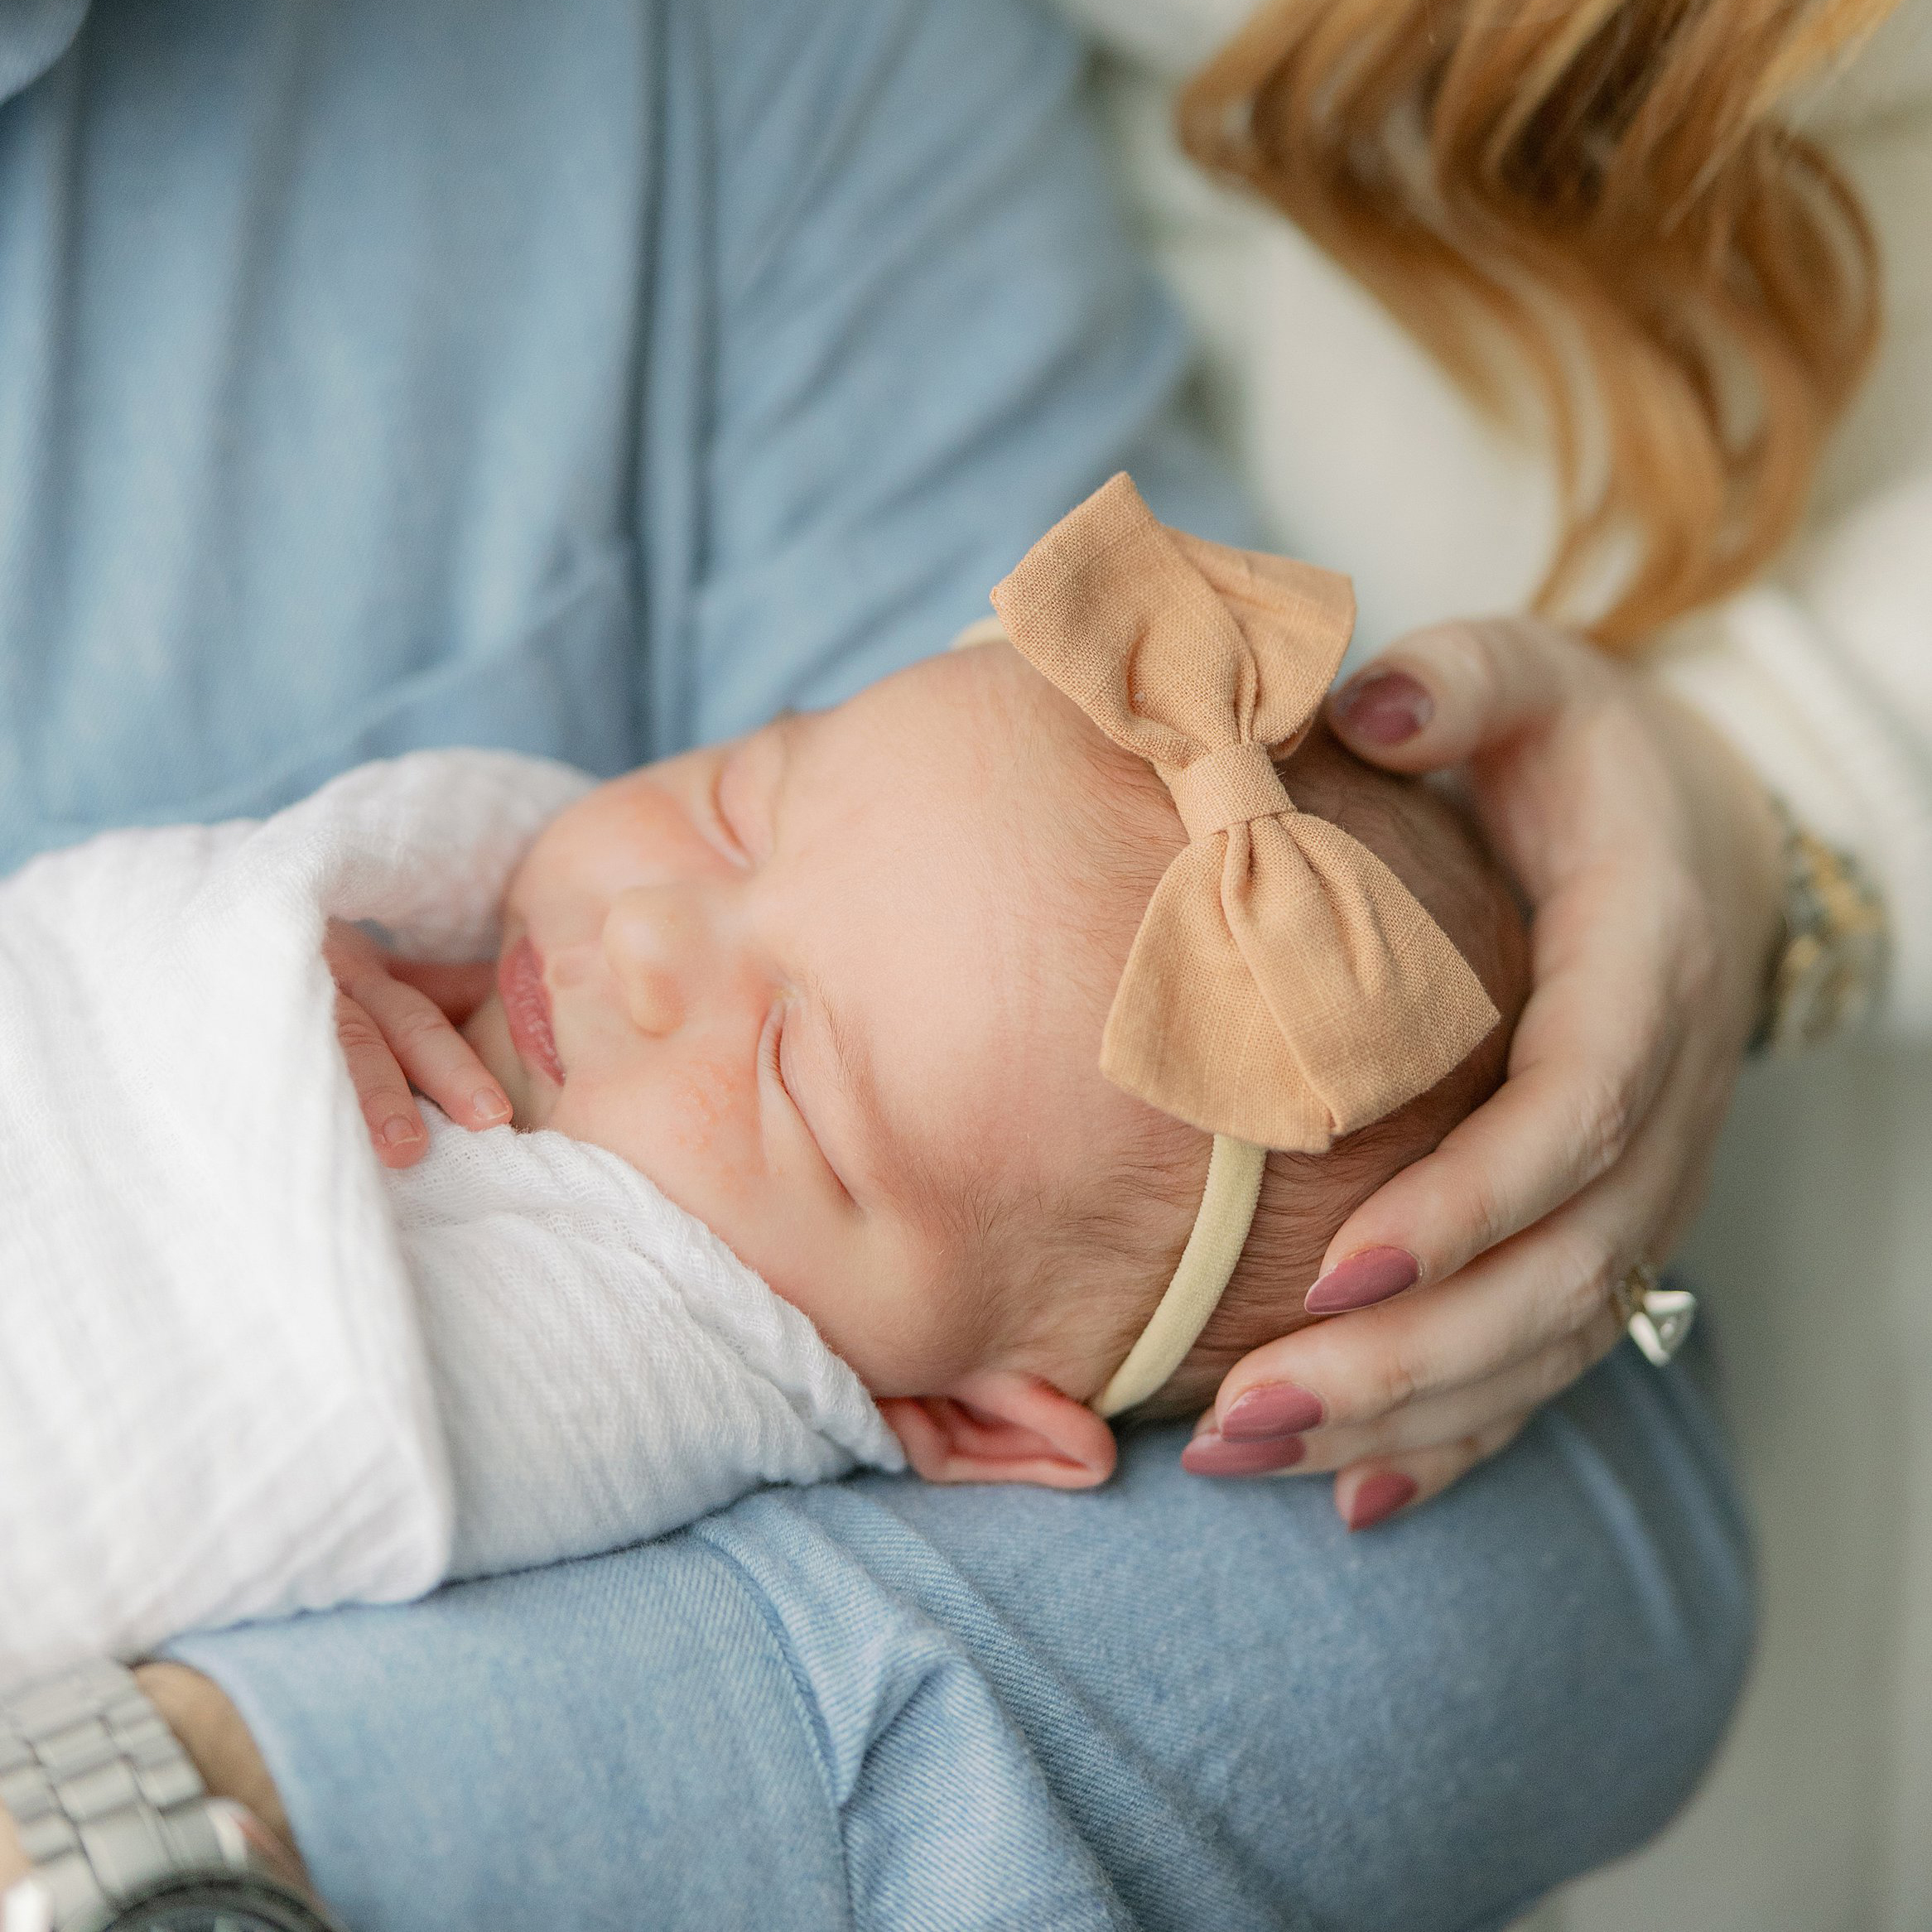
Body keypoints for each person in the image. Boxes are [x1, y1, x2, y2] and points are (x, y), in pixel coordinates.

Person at [0, 0, 1755, 1925]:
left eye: (789, 1086)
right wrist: (232, 990)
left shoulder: (774, 72)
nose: (651, 944)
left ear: (972, 1432)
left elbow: (1563, 1568)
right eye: (740, 801)